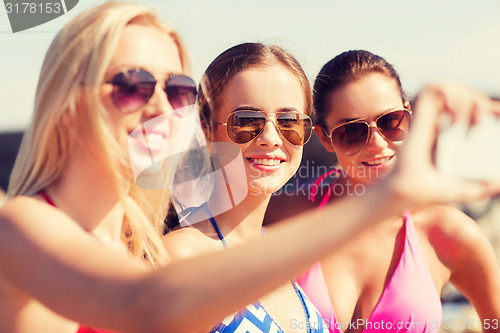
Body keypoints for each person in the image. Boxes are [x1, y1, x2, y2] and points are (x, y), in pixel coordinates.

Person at [0, 1, 498, 332]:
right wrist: (383, 200)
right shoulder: (23, 225)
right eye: (131, 84)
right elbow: (148, 304)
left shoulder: (135, 243)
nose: (158, 107)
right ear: (67, 99)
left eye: (174, 89)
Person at [294, 50, 500, 333]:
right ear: (324, 137)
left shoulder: (449, 233)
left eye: (391, 121)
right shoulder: (287, 214)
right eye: (352, 131)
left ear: (409, 115)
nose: (377, 142)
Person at [163, 42, 327, 333]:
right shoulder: (183, 257)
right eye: (247, 121)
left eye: (289, 121)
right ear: (207, 130)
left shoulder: (282, 253)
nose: (271, 138)